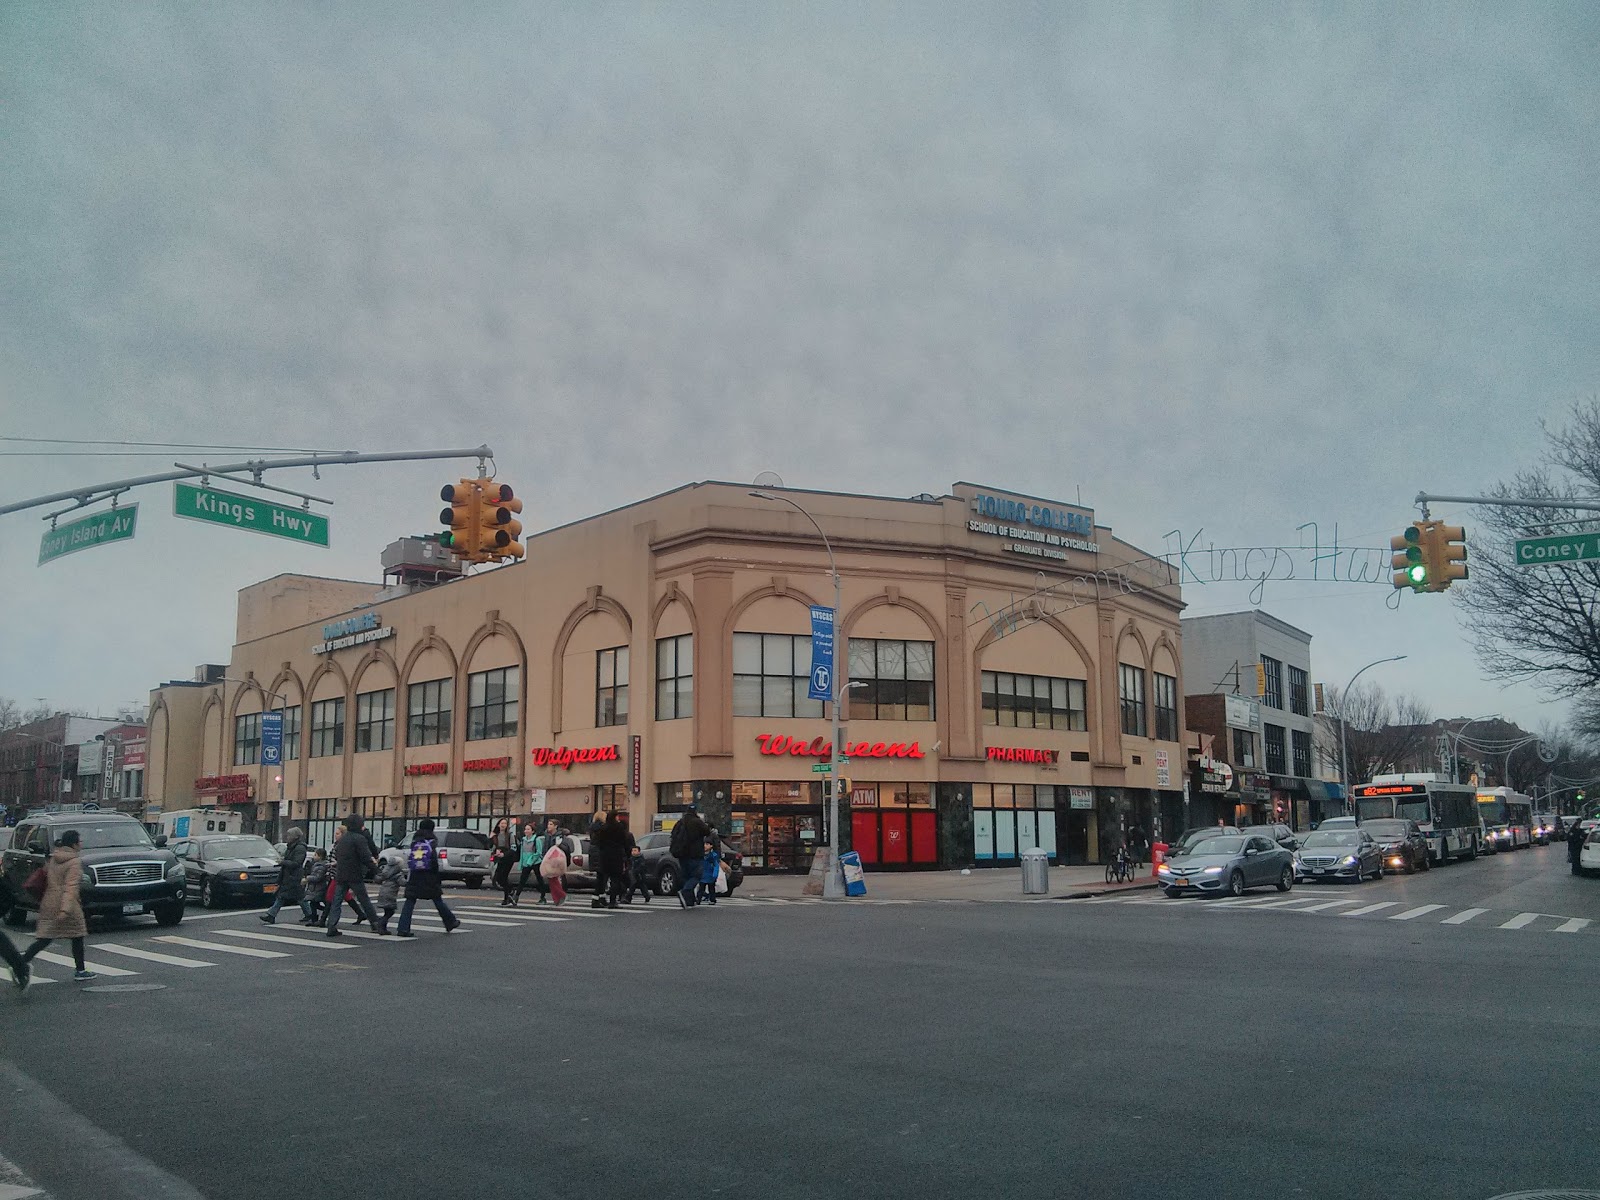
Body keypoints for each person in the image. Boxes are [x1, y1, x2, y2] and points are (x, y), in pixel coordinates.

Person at [19, 830, 94, 981]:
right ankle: (80, 970)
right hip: (67, 904)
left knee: (45, 938)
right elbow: (70, 887)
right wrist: (65, 909)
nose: (81, 844)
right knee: (77, 936)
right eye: (79, 841)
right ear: (74, 844)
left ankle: (20, 963)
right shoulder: (74, 862)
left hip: (49, 900)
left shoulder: (54, 858)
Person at [326, 815, 380, 937]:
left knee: (336, 901)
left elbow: (339, 854)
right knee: (364, 900)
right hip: (355, 874)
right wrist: (376, 870)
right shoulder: (359, 839)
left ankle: (331, 926)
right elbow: (366, 857)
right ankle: (375, 924)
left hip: (341, 874)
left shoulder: (344, 839)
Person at [260, 827, 307, 925]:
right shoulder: (291, 846)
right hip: (288, 876)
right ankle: (271, 915)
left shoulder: (299, 848)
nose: (287, 837)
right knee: (285, 897)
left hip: (294, 876)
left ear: (295, 837)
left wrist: (283, 862)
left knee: (297, 897)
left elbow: (297, 863)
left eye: (289, 835)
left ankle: (271, 915)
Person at [669, 805, 709, 908]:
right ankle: (684, 891)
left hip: (682, 854)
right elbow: (707, 831)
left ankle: (689, 900)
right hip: (695, 854)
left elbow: (673, 835)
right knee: (697, 875)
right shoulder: (697, 821)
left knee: (686, 876)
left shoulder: (680, 822)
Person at [597, 811, 630, 908]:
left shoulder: (603, 828)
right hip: (616, 855)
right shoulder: (619, 828)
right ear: (615, 817)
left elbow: (599, 842)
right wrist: (627, 855)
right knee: (615, 879)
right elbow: (624, 841)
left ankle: (601, 898)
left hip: (605, 856)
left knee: (605, 878)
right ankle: (612, 901)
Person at [373, 852, 405, 935]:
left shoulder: (385, 871)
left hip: (383, 893)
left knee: (387, 911)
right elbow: (403, 883)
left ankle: (383, 928)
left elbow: (378, 879)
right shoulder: (398, 874)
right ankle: (380, 923)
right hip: (390, 895)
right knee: (390, 912)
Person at [490, 817, 518, 906]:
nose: (503, 825)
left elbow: (514, 848)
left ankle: (506, 898)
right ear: (498, 824)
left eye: (505, 824)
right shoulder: (495, 835)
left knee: (504, 876)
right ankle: (510, 891)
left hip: (509, 858)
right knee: (498, 878)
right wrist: (491, 839)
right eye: (501, 823)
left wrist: (504, 854)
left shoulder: (510, 835)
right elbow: (491, 847)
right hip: (499, 858)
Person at [588, 810, 612, 907]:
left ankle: (601, 897)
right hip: (601, 852)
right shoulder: (602, 828)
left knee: (601, 876)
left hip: (594, 852)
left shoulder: (592, 827)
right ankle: (596, 899)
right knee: (602, 877)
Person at [512, 821, 541, 905]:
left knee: (539, 879)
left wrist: (531, 860)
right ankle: (516, 897)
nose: (526, 831)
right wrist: (521, 863)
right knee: (522, 880)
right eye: (525, 829)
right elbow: (522, 852)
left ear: (533, 831)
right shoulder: (523, 840)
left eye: (528, 829)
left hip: (535, 862)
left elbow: (538, 852)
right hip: (526, 862)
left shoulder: (536, 839)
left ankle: (542, 896)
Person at [540, 832, 569, 906]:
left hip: (555, 859)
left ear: (555, 826)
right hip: (548, 859)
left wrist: (558, 845)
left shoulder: (559, 837)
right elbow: (545, 847)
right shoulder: (547, 835)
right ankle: (557, 899)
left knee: (554, 880)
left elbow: (566, 848)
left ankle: (561, 895)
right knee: (551, 880)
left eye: (551, 824)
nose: (549, 826)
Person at [302, 848, 330, 924]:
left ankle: (322, 915)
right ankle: (314, 919)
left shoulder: (321, 866)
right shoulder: (317, 864)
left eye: (315, 855)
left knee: (316, 903)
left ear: (320, 856)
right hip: (315, 888)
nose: (313, 856)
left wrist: (308, 878)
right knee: (313, 903)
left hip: (319, 888)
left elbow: (318, 877)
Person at [697, 836, 721, 905]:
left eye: (707, 844)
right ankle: (698, 899)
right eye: (704, 844)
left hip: (710, 874)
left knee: (711, 888)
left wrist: (715, 874)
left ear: (711, 846)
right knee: (701, 888)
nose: (705, 846)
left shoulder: (713, 855)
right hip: (703, 874)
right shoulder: (701, 854)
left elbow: (716, 865)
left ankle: (712, 899)